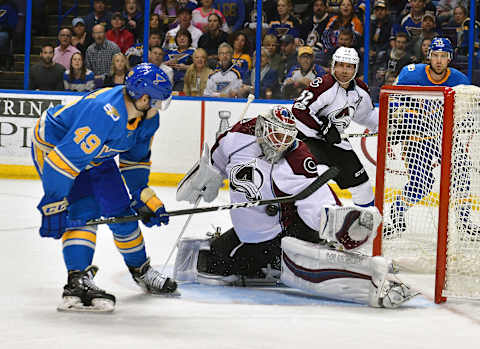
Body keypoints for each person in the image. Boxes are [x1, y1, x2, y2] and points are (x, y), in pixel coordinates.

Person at [172, 105, 417, 308]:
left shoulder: (297, 160)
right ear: (262, 130)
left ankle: (366, 278)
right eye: (277, 138)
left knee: (291, 262)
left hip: (284, 232)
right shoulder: (235, 138)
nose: (280, 145)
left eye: (287, 139)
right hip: (252, 232)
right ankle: (269, 267)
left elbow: (317, 202)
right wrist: (207, 177)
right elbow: (216, 160)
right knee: (212, 263)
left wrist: (340, 224)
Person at [31, 63, 177, 312]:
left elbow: (135, 160)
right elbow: (62, 162)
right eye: (157, 101)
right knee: (84, 212)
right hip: (55, 149)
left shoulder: (147, 118)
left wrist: (142, 193)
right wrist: (54, 203)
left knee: (122, 214)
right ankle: (77, 280)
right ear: (143, 98)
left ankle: (141, 270)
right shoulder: (104, 112)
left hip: (97, 154)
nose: (159, 107)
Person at [386, 38, 472, 237]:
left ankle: (464, 221)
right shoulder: (411, 74)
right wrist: (400, 119)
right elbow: (392, 101)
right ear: (429, 56)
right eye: (435, 55)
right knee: (421, 185)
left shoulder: (460, 80)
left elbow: (466, 112)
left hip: (444, 137)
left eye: (443, 56)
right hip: (417, 139)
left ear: (449, 58)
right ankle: (397, 212)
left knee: (461, 173)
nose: (439, 60)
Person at [291, 47, 378, 208]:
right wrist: (323, 128)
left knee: (363, 187)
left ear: (355, 68)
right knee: (318, 175)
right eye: (341, 65)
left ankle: (366, 225)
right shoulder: (323, 84)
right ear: (333, 66)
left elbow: (366, 116)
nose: (344, 71)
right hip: (309, 140)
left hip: (335, 142)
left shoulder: (361, 91)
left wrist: (387, 125)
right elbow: (299, 109)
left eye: (349, 66)